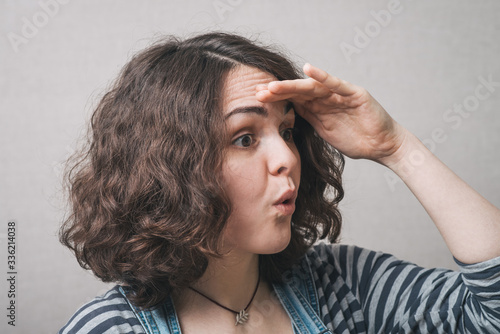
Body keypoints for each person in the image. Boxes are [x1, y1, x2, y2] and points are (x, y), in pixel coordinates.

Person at [59, 32, 500, 334]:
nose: (287, 157)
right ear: (170, 168)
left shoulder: (344, 286)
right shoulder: (109, 328)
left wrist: (397, 148)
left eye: (287, 132)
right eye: (246, 138)